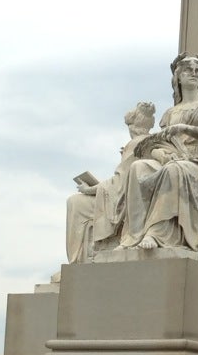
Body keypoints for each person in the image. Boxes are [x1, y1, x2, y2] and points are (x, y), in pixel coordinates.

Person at [120, 53, 198, 252]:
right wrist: (160, 152)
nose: (193, 73)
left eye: (197, 70)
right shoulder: (171, 113)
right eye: (188, 70)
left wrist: (185, 129)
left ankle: (157, 232)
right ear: (178, 77)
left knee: (174, 170)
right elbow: (162, 142)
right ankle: (134, 235)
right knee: (138, 168)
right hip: (173, 156)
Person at [66, 100, 156, 262]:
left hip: (125, 204)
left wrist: (88, 189)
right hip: (130, 198)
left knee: (76, 203)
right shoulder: (150, 142)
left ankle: (78, 260)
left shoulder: (136, 143)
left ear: (132, 127)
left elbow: (119, 183)